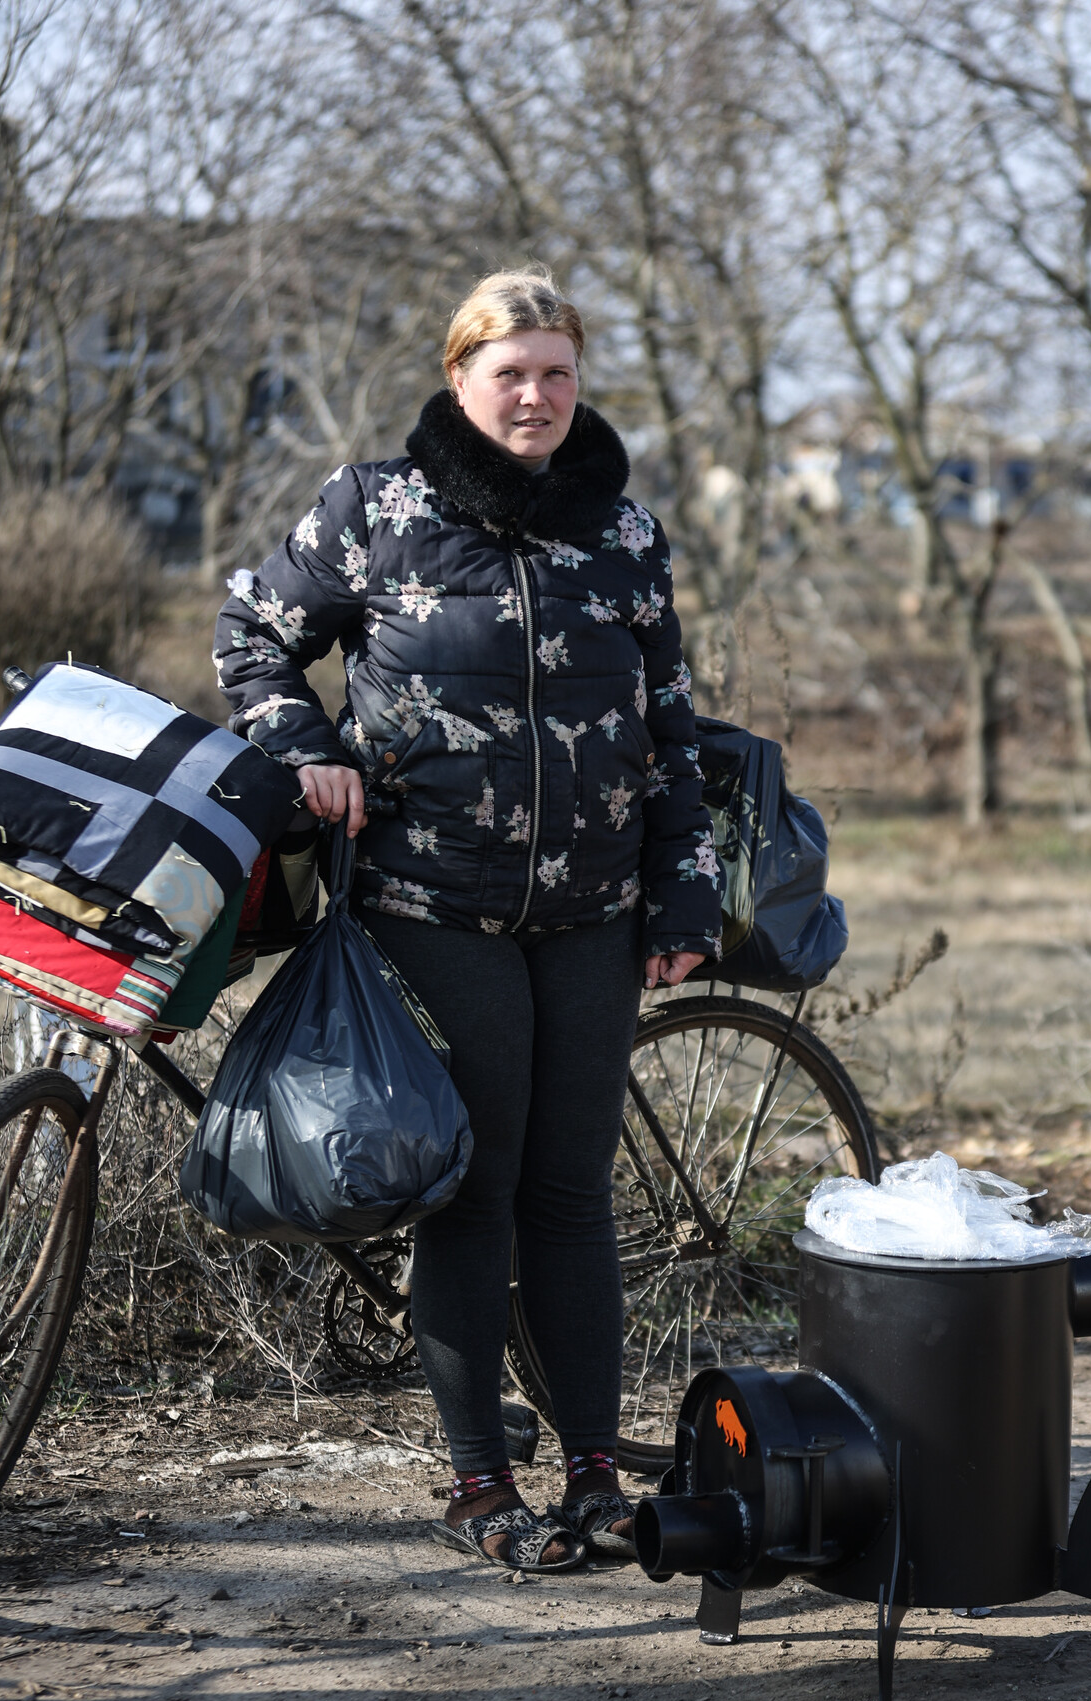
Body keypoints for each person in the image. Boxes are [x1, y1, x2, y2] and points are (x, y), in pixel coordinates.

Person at [214, 268, 722, 1572]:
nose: (538, 396)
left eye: (557, 372)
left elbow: (667, 728)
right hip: (431, 903)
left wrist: (682, 892)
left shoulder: (623, 536)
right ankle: (479, 1485)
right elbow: (256, 634)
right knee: (476, 1190)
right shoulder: (375, 508)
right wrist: (300, 747)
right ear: (461, 380)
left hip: (595, 913)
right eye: (513, 374)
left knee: (569, 1192)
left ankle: (597, 1477)